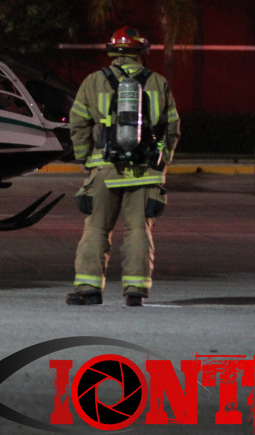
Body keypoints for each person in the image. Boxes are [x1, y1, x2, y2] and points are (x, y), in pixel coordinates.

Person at [66, 27, 180, 307]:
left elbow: (78, 124)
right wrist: (161, 161)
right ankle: (135, 291)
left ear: (113, 52)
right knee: (138, 230)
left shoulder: (93, 81)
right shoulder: (157, 82)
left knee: (96, 229)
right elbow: (172, 128)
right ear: (141, 52)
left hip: (105, 170)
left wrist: (86, 159)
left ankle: (89, 291)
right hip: (144, 173)